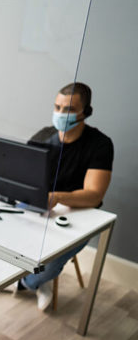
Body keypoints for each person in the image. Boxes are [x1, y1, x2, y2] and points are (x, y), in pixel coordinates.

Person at [19, 82, 114, 310]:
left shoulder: (100, 145)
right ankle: (33, 276)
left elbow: (93, 195)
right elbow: (23, 174)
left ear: (86, 113)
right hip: (41, 205)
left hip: (77, 212)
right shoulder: (44, 136)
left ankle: (28, 282)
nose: (60, 114)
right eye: (57, 107)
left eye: (68, 109)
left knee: (50, 265)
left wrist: (58, 197)